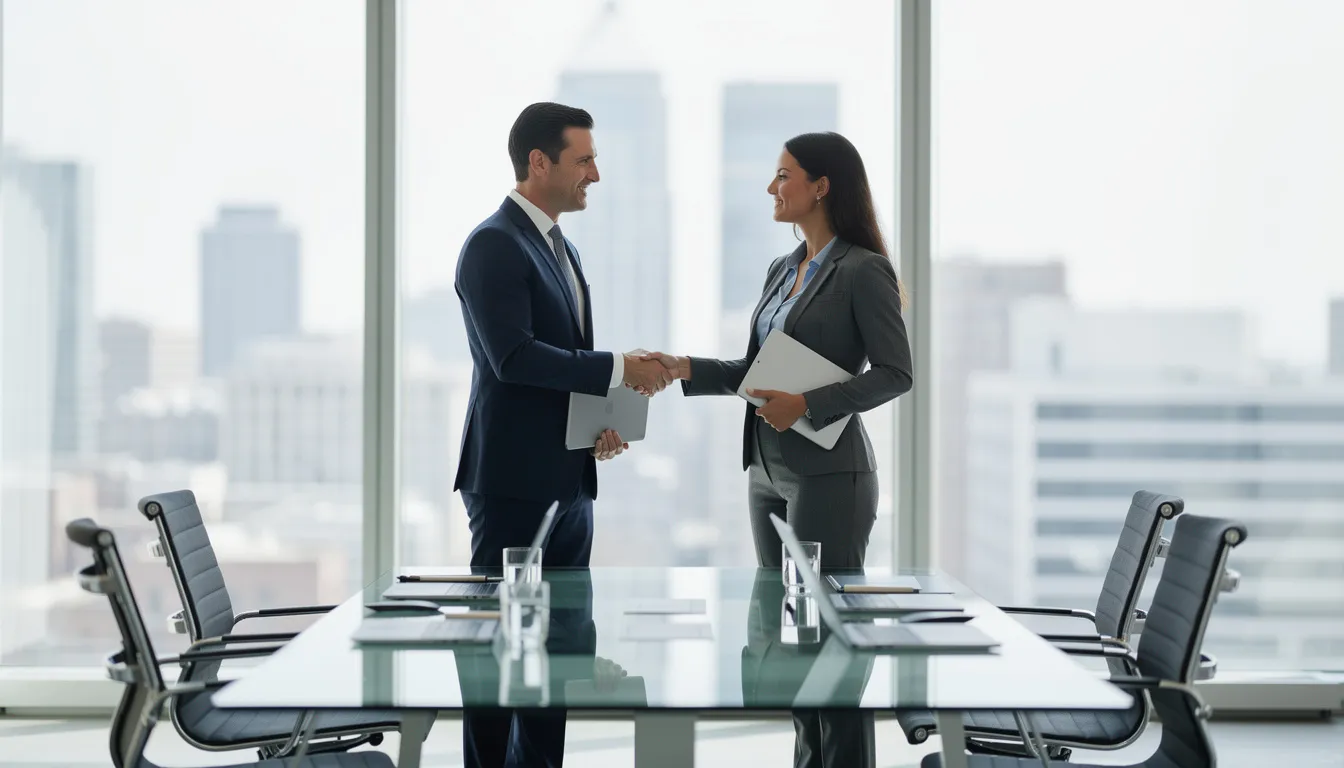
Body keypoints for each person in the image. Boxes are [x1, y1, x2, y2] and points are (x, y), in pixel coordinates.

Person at [644, 131, 912, 767]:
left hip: (827, 475)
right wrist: (684, 367)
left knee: (829, 645)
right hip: (766, 470)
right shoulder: (782, 269)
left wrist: (811, 405)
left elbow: (896, 372)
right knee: (789, 642)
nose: (772, 187)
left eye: (784, 175)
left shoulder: (862, 270)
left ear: (822, 187)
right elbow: (756, 368)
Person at [453, 101, 671, 768]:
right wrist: (617, 368)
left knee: (560, 658)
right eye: (584, 160)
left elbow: (554, 363)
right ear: (538, 162)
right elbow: (512, 359)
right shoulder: (494, 244)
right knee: (501, 663)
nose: (596, 175)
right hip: (515, 485)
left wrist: (597, 421)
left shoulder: (560, 246)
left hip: (570, 481)